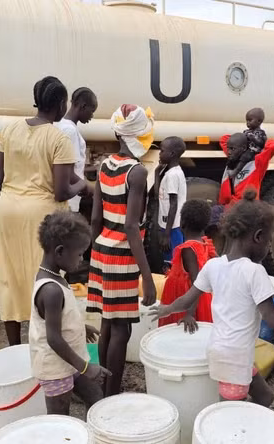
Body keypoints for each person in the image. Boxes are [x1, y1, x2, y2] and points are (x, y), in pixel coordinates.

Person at [151, 190, 274, 406]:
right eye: (268, 242)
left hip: (221, 351)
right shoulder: (254, 272)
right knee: (229, 412)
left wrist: (166, 309)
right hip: (235, 359)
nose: (268, 247)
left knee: (265, 397)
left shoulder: (214, 266)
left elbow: (186, 299)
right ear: (258, 237)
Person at [0, 76, 90, 346]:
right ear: (60, 104)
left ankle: (14, 348)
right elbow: (62, 191)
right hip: (42, 217)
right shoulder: (59, 138)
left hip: (8, 211)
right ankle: (48, 344)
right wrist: (83, 185)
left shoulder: (9, 130)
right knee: (47, 277)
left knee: (11, 277)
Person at [87, 104, 157, 396]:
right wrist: (147, 277)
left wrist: (94, 254)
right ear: (140, 137)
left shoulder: (104, 165)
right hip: (122, 256)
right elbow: (131, 226)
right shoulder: (137, 172)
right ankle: (111, 394)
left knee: (108, 322)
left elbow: (95, 218)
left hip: (102, 249)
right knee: (121, 329)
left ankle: (103, 386)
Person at [30, 211, 111, 415]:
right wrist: (86, 367)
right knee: (60, 418)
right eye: (79, 253)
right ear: (60, 252)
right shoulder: (51, 290)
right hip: (56, 369)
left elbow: (59, 318)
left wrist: (81, 327)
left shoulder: (56, 277)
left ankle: (92, 430)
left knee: (95, 395)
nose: (82, 259)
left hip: (71, 361)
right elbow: (54, 339)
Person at [158, 199, 217, 328]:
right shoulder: (205, 243)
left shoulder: (188, 249)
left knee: (178, 334)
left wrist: (190, 314)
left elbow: (196, 281)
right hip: (201, 300)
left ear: (182, 223)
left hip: (186, 303)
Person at [54, 87, 98, 213]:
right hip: (68, 202)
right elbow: (68, 172)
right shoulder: (70, 131)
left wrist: (91, 169)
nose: (92, 116)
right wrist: (89, 189)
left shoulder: (60, 125)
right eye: (92, 111)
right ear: (83, 106)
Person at [218, 132, 274, 206]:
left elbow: (272, 146)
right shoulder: (234, 156)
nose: (229, 152)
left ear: (243, 148)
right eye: (228, 148)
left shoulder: (257, 163)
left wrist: (256, 140)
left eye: (232, 149)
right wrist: (247, 136)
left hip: (245, 207)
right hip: (228, 205)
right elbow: (224, 139)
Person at [154, 136, 187, 269]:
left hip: (172, 228)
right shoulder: (170, 172)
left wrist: (167, 235)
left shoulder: (173, 175)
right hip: (167, 226)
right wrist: (156, 172)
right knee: (168, 263)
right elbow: (158, 195)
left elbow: (174, 204)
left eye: (162, 151)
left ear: (172, 154)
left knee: (173, 265)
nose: (159, 153)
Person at [230, 108, 268, 179]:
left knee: (246, 155)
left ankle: (236, 171)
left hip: (254, 151)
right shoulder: (246, 131)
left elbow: (262, 143)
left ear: (259, 121)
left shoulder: (260, 133)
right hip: (245, 148)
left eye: (250, 120)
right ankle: (231, 167)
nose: (247, 123)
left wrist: (253, 138)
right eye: (247, 121)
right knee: (235, 152)